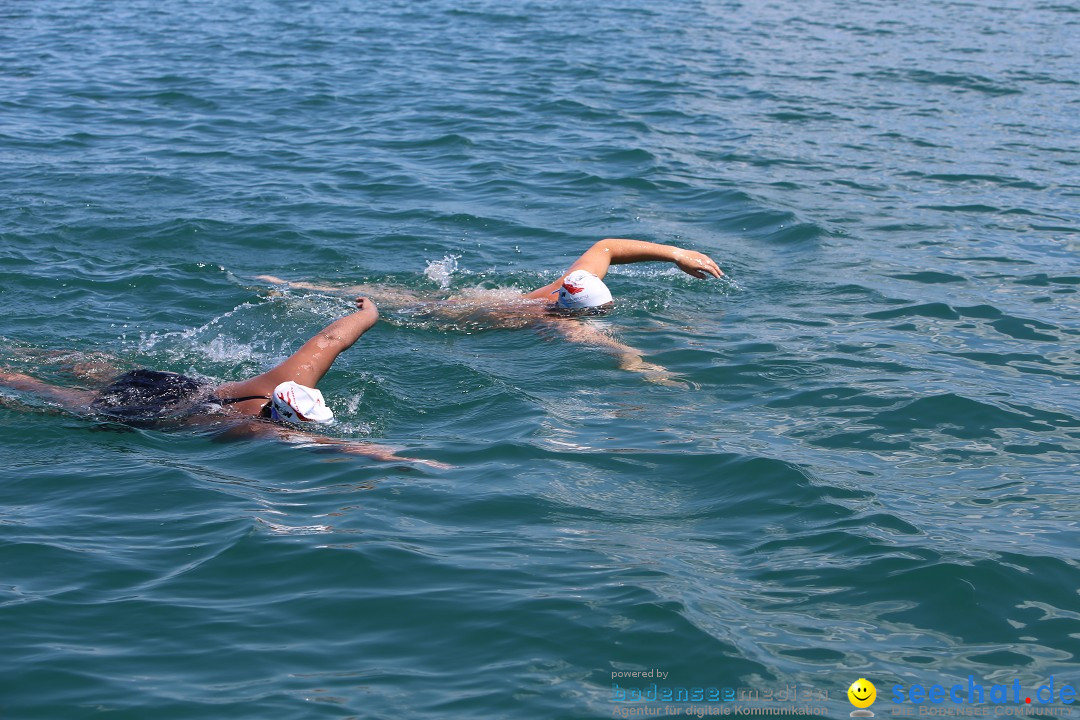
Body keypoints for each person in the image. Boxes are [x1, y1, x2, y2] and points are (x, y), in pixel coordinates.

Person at [0, 297, 445, 467]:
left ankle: (43, 358)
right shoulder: (258, 428)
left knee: (97, 370)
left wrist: (369, 314)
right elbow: (325, 447)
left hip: (175, 385)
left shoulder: (285, 379)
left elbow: (332, 338)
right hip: (159, 413)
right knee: (55, 397)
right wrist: (382, 455)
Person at [258, 238, 723, 383]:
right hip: (452, 318)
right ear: (574, 312)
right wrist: (649, 369)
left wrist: (674, 253)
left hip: (468, 299)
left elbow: (606, 246)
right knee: (407, 308)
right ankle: (295, 291)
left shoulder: (558, 289)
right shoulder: (558, 323)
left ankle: (292, 285)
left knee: (395, 295)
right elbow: (615, 349)